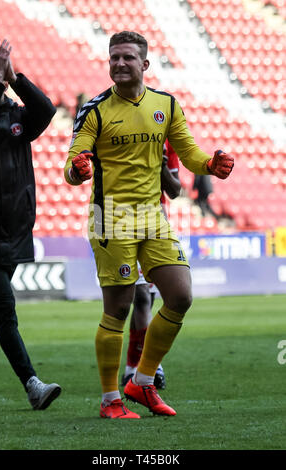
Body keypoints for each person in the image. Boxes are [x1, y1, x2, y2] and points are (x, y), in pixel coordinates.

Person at [64, 31, 234, 419]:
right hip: (112, 218)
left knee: (180, 295)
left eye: (127, 58)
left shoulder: (165, 105)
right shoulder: (94, 110)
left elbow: (188, 152)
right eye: (114, 58)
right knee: (119, 309)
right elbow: (73, 163)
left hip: (152, 216)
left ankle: (141, 384)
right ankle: (110, 400)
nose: (119, 64)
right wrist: (77, 170)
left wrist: (210, 164)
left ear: (144, 64)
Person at [0, 39, 61, 410]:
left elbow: (46, 110)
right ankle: (32, 384)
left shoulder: (17, 118)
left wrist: (14, 78)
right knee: (4, 309)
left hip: (13, 235)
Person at [121, 140, 181, 390]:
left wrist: (161, 167)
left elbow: (175, 190)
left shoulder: (168, 138)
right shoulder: (125, 126)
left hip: (156, 223)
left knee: (147, 300)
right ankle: (150, 367)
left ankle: (132, 368)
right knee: (142, 298)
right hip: (122, 219)